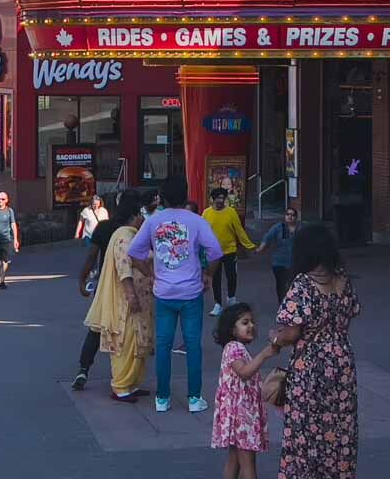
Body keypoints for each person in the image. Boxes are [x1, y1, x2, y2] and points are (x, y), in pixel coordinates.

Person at [269, 223, 361, 477]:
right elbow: (349, 315)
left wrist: (274, 337)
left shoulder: (302, 284)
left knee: (305, 430)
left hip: (309, 366)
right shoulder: (343, 279)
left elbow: (292, 331)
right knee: (341, 426)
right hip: (342, 362)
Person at [127, 173, 223, 413]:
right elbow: (215, 252)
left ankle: (162, 398)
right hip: (191, 293)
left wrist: (150, 273)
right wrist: (207, 274)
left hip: (163, 292)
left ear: (162, 198)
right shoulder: (197, 221)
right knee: (192, 345)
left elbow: (134, 253)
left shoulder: (152, 222)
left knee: (163, 345)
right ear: (186, 195)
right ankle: (194, 398)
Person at [82, 190, 152, 402]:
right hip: (127, 304)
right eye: (143, 214)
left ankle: (132, 384)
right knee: (126, 342)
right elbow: (124, 268)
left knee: (139, 342)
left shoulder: (131, 235)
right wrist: (131, 294)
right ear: (135, 214)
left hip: (140, 300)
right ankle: (121, 387)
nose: (145, 219)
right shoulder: (123, 236)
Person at [74, 189, 136, 391]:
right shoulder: (136, 229)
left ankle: (84, 368)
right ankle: (123, 376)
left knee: (97, 326)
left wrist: (82, 279)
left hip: (105, 283)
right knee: (126, 330)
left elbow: (92, 256)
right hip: (131, 283)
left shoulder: (104, 227)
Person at [212, 303, 273, 479]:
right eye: (245, 322)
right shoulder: (233, 348)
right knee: (248, 461)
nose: (251, 326)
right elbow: (244, 373)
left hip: (238, 413)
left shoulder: (236, 348)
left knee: (235, 459)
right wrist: (264, 354)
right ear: (232, 329)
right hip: (241, 415)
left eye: (252, 322)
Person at [203, 188, 256, 316]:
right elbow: (202, 232)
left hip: (230, 251)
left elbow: (239, 230)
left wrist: (249, 245)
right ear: (212, 199)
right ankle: (218, 304)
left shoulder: (231, 212)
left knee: (231, 275)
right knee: (215, 278)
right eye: (218, 198)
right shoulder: (206, 213)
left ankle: (231, 298)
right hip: (213, 253)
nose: (221, 200)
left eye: (223, 198)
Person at [255, 205, 300, 300]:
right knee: (281, 284)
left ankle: (292, 304)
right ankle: (282, 304)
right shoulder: (278, 227)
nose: (290, 217)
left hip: (295, 262)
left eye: (292, 215)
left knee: (294, 284)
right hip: (279, 262)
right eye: (288, 214)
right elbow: (268, 237)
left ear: (296, 217)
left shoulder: (300, 229)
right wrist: (262, 247)